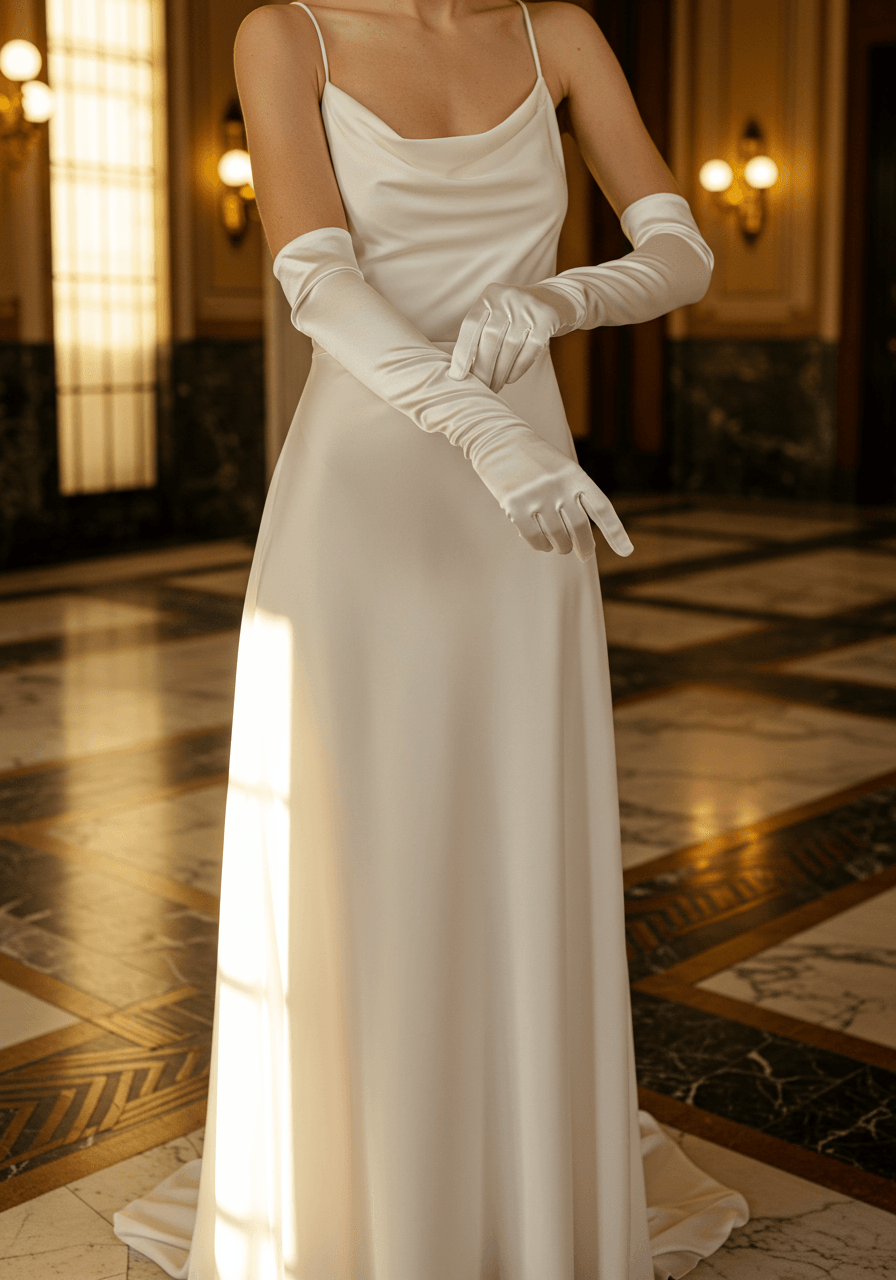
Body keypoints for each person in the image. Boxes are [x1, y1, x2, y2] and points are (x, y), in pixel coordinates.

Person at [114, 2, 749, 1277]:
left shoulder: (557, 35)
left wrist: (558, 297)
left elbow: (681, 252)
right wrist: (482, 426)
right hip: (371, 488)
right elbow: (315, 278)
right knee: (367, 825)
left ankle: (512, 1190)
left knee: (512, 815)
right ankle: (359, 1190)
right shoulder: (286, 34)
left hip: (527, 505)